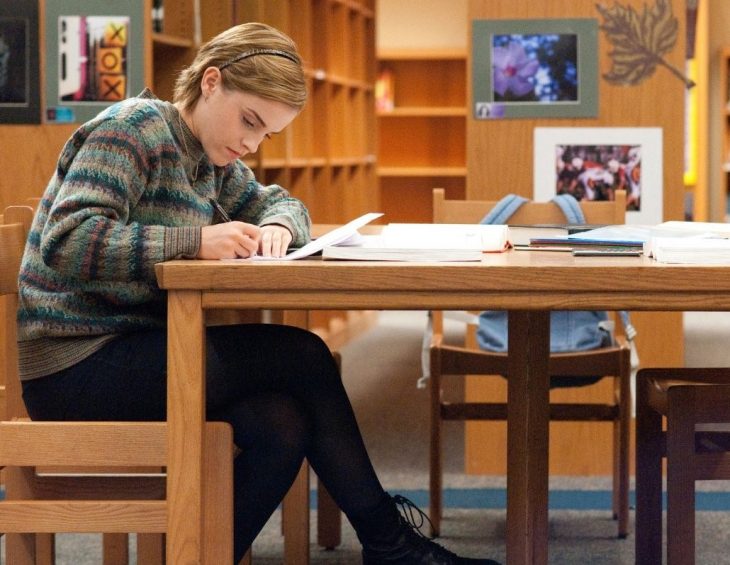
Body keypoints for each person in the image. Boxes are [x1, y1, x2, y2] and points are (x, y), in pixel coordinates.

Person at [16, 22, 500, 565]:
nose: (249, 143)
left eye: (265, 135)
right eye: (249, 121)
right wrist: (195, 241)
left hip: (140, 352)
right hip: (74, 366)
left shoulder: (208, 159)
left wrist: (282, 229)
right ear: (211, 81)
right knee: (303, 354)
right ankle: (389, 544)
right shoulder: (132, 130)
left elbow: (282, 202)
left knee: (281, 421)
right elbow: (69, 240)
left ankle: (205, 557)